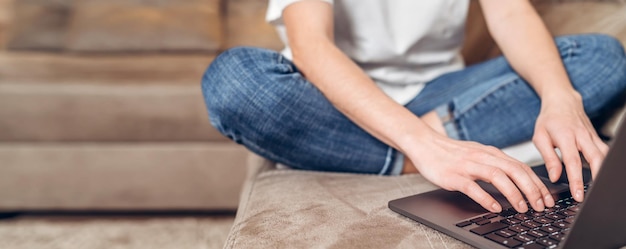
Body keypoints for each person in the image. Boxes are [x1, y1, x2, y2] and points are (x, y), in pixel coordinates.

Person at [201, 0, 626, 214]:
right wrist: (424, 145)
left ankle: (364, 154)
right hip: (327, 101)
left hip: (439, 94)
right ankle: (420, 154)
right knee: (234, 81)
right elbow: (312, 47)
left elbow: (511, 13)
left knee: (602, 59)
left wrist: (559, 98)